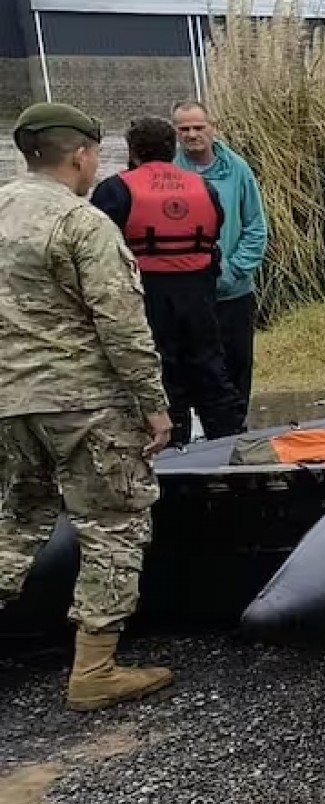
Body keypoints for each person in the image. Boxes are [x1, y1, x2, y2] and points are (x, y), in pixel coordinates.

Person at [0, 102, 175, 711]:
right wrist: (153, 406)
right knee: (115, 522)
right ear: (80, 154)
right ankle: (94, 669)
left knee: (16, 521)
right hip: (82, 404)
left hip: (8, 402)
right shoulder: (82, 222)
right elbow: (121, 323)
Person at [90, 116, 245, 446]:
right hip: (200, 293)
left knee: (163, 373)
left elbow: (99, 245)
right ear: (172, 148)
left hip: (148, 294)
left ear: (133, 152)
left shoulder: (115, 189)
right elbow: (214, 230)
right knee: (211, 371)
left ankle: (172, 449)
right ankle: (228, 444)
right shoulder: (204, 187)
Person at [173, 100, 269, 428]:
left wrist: (234, 271)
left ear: (213, 127)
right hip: (188, 291)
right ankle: (193, 435)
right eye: (184, 129)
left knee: (237, 366)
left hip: (233, 291)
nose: (192, 135)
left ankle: (235, 431)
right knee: (190, 367)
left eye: (198, 127)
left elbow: (255, 226)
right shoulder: (170, 171)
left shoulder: (237, 169)